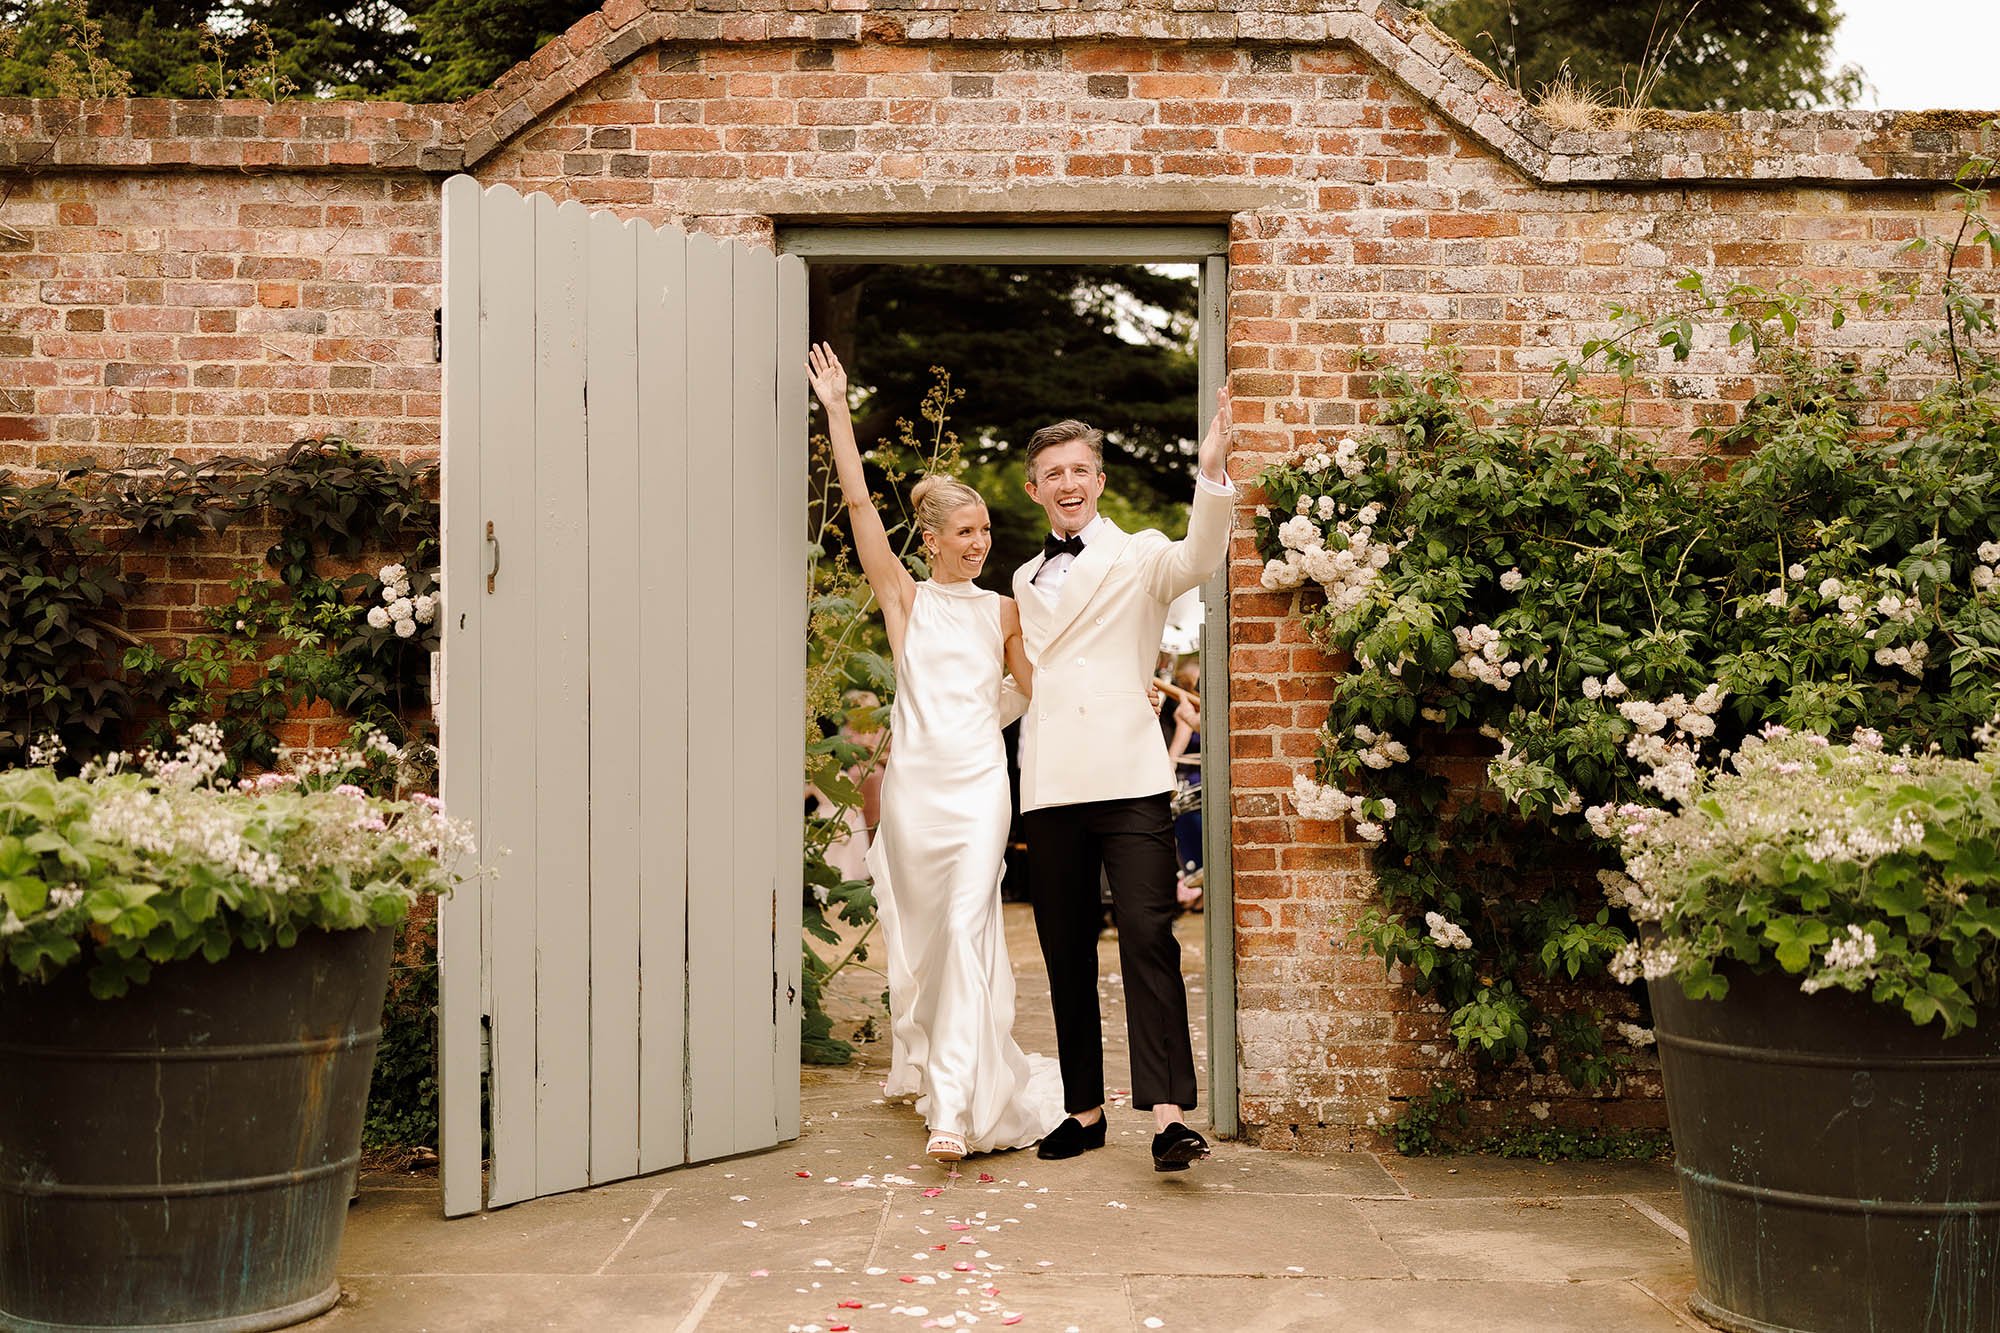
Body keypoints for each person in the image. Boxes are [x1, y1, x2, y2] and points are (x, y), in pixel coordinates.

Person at [805, 342, 1064, 1166]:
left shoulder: (1003, 612)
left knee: (966, 925)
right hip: (916, 794)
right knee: (918, 944)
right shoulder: (905, 599)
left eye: (987, 526)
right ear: (932, 537)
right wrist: (839, 412)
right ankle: (929, 1065)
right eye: (967, 529)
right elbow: (854, 504)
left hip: (982, 786)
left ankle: (955, 1106)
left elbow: (1046, 689)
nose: (982, 540)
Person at [1011, 390, 1233, 1173]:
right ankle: (1085, 1109)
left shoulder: (1139, 554)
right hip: (1051, 780)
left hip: (1131, 775)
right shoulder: (1020, 579)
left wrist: (1209, 477)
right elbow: (1026, 678)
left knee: (1147, 934)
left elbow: (1199, 558)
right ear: (1033, 488)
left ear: (1098, 480)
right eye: (1051, 472)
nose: (1067, 482)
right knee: (1065, 948)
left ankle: (1169, 1116)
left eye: (1079, 469)